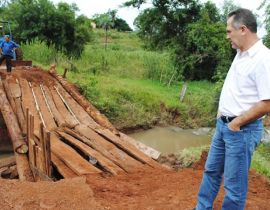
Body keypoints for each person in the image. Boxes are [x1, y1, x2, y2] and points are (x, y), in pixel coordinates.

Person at [195, 8, 270, 210]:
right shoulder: (241, 52)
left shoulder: (263, 59)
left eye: (229, 31)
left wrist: (237, 122)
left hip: (241, 130)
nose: (227, 35)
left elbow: (267, 102)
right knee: (211, 171)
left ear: (243, 29)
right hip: (223, 125)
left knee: (234, 185)